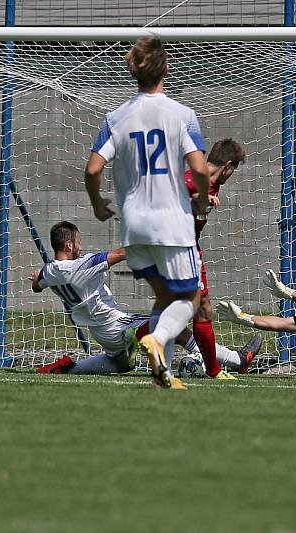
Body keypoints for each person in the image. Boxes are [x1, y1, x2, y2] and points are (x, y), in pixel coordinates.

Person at [85, 36, 210, 389]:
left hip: (134, 226)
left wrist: (97, 204)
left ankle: (162, 376)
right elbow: (199, 168)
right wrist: (201, 197)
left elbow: (93, 170)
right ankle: (157, 340)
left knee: (164, 296)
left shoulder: (116, 118)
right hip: (172, 222)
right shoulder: (182, 115)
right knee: (190, 298)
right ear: (166, 69)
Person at [29, 221, 262, 376]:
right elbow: (121, 254)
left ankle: (69, 369)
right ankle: (237, 360)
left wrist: (37, 278)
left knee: (120, 364)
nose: (81, 246)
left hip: (100, 333)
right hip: (117, 326)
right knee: (176, 326)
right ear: (69, 244)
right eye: (78, 242)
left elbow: (37, 286)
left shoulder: (49, 271)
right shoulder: (81, 265)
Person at [184, 138, 251, 379]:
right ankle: (216, 370)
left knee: (200, 309)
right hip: (175, 251)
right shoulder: (192, 178)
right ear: (228, 165)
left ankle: (216, 369)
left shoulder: (213, 184)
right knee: (194, 310)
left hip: (190, 250)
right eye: (233, 171)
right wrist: (197, 199)